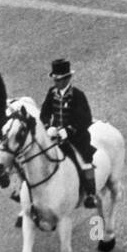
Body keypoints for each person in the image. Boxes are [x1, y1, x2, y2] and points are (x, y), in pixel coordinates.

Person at [39, 59, 97, 207]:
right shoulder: (52, 93)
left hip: (76, 138)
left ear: (67, 79)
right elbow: (44, 113)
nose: (56, 83)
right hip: (55, 136)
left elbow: (85, 119)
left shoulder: (78, 95)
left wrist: (69, 131)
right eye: (54, 79)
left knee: (83, 161)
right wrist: (48, 126)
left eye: (58, 80)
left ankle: (90, 193)